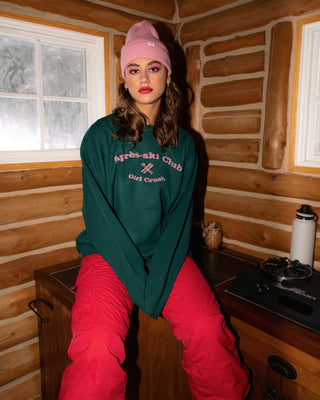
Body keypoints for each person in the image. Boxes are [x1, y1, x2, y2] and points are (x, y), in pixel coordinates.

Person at [58, 20, 250, 400]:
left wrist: (156, 277)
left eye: (153, 67)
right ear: (125, 79)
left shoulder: (185, 145)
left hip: (167, 256)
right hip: (107, 256)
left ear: (168, 75)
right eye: (134, 68)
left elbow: (179, 220)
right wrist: (139, 286)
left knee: (210, 331)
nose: (143, 77)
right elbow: (99, 219)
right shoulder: (100, 137)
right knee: (96, 348)